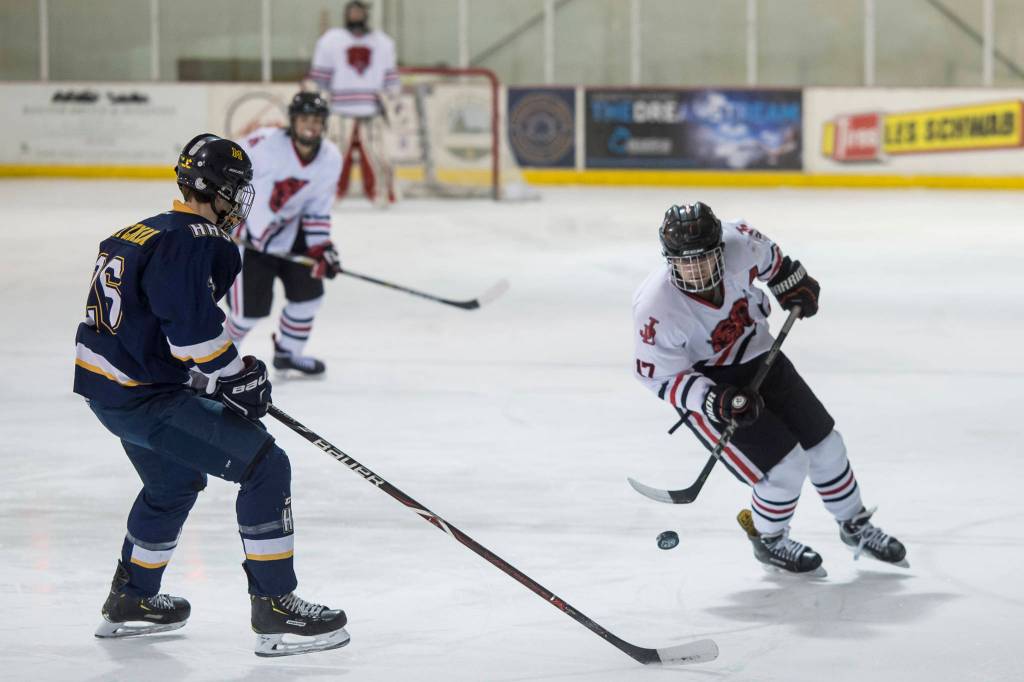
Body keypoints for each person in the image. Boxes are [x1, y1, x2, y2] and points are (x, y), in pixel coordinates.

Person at [74, 133, 349, 657]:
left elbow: (149, 327)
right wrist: (233, 373)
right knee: (266, 465)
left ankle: (131, 599)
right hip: (143, 398)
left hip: (108, 391)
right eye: (236, 189)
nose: (239, 201)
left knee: (173, 482)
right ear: (215, 188)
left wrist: (212, 376)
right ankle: (276, 606)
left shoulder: (137, 231)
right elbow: (192, 330)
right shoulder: (195, 237)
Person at [632, 202, 906, 574]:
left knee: (827, 446)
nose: (695, 270)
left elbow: (776, 263)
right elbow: (657, 376)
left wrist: (793, 287)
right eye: (684, 261)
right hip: (713, 385)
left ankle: (854, 523)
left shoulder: (739, 242)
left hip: (761, 356)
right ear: (669, 259)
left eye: (704, 258)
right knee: (784, 470)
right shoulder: (655, 307)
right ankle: (769, 540)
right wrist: (713, 400)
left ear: (719, 249)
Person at [226, 92, 343, 376]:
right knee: (245, 314)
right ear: (292, 121)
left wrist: (321, 247)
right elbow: (225, 169)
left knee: (308, 298)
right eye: (304, 119)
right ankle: (214, 366)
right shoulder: (263, 144)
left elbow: (317, 208)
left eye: (316, 120)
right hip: (249, 239)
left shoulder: (330, 158)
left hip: (291, 233)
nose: (310, 126)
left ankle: (288, 353)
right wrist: (219, 215)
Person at [307, 0, 399, 205]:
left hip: (372, 110)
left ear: (366, 14)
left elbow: (391, 82)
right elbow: (320, 79)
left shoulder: (383, 42)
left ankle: (381, 194)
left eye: (360, 12)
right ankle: (330, 195)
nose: (356, 16)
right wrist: (319, 103)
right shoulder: (331, 40)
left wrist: (390, 105)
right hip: (339, 109)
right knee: (333, 155)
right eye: (353, 12)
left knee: (378, 155)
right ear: (346, 14)